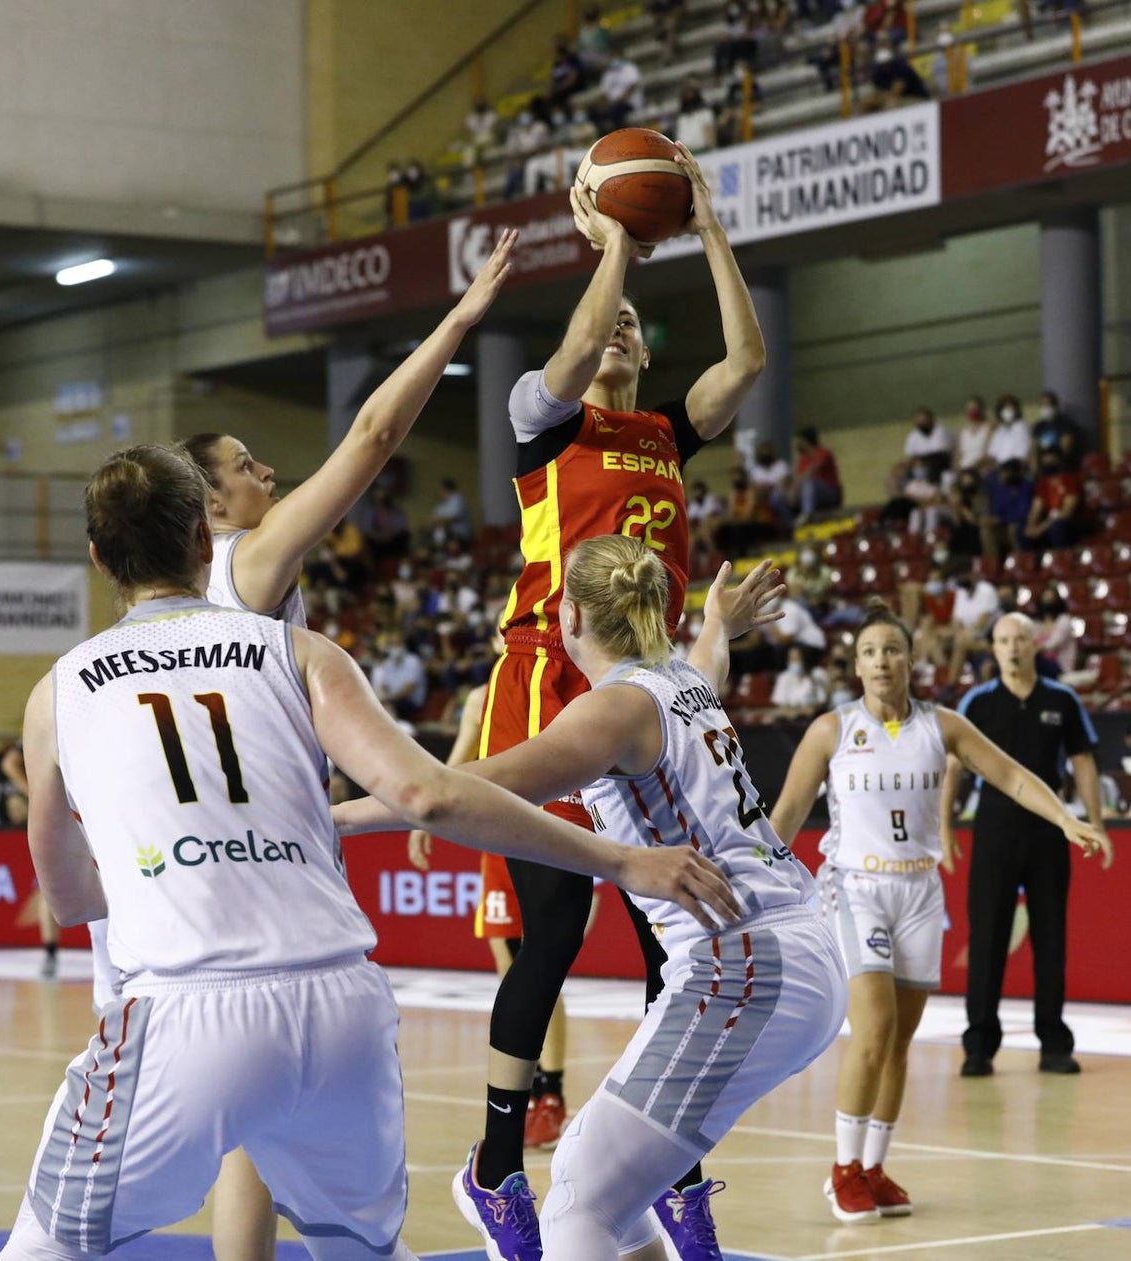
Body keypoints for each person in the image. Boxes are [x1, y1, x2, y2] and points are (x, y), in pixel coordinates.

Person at [0, 447, 738, 1261]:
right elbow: (433, 795)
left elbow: (68, 898)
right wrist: (624, 861)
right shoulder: (299, 653)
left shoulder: (58, 691)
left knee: (47, 1242)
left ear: (98, 557)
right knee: (361, 1249)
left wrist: (179, 865)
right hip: (341, 1010)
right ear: (206, 544)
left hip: (185, 1009)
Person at [89, 232, 520, 1261]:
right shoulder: (247, 562)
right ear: (205, 508)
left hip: (172, 905)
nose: (268, 470)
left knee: (250, 1143)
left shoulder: (145, 629)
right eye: (244, 466)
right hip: (241, 911)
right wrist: (459, 322)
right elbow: (371, 438)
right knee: (292, 1156)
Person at [428, 147, 767, 1261]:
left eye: (630, 326)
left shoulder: (666, 434)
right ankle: (493, 1169)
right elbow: (574, 344)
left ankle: (674, 1170)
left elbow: (746, 360)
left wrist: (708, 226)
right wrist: (615, 237)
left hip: (646, 691)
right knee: (557, 932)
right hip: (547, 682)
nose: (615, 332)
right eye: (606, 322)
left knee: (679, 942)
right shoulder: (546, 421)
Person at [336, 538, 848, 1261]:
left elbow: (448, 795)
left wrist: (331, 817)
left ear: (569, 616)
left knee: (578, 1190)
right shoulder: (678, 678)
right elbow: (709, 662)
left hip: (746, 964)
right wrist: (716, 626)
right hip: (793, 948)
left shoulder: (612, 710)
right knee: (614, 1182)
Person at [768, 601, 1107, 1223]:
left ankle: (872, 1167)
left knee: (899, 1042)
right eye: (868, 652)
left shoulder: (943, 725)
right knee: (870, 1030)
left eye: (891, 650)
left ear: (911, 660)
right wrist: (751, 872)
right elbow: (786, 813)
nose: (880, 661)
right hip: (854, 887)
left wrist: (1064, 816)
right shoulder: (831, 730)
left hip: (920, 892)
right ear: (856, 665)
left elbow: (1009, 775)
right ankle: (841, 1169)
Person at [405, 640, 576, 1150]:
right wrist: (423, 816)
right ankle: (528, 1096)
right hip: (497, 843)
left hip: (549, 830)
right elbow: (453, 767)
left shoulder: (561, 687)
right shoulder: (485, 697)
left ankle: (553, 1093)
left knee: (543, 960)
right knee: (514, 968)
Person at [943, 613, 1114, 1078]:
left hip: (1049, 832)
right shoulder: (977, 701)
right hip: (993, 829)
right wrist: (944, 828)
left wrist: (1094, 823)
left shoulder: (1062, 698)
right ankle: (979, 1045)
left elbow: (1083, 760)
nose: (1012, 646)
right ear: (993, 649)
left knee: (1051, 936)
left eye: (1019, 638)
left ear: (1036, 643)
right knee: (987, 939)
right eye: (1002, 639)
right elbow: (954, 769)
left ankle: (1054, 1043)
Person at [1, 742, 61, 978]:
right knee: (49, 886)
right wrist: (36, 796)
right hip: (58, 812)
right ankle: (50, 953)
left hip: (77, 809)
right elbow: (9, 763)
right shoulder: (45, 721)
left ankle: (51, 953)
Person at [790, 426, 842, 526]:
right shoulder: (803, 458)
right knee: (780, 495)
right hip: (810, 493)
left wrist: (798, 484)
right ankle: (789, 525)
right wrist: (793, 490)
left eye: (801, 441)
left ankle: (807, 514)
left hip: (831, 493)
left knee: (809, 482)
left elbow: (813, 469)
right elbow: (798, 477)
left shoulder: (824, 452)